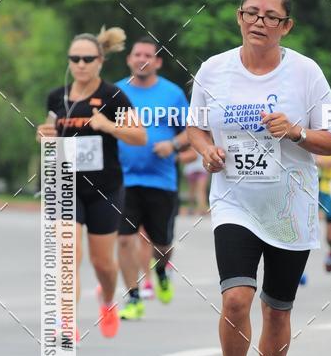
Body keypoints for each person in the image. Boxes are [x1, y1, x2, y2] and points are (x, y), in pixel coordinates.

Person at [187, 0, 331, 356]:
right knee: (236, 298)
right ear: (239, 17)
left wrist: (294, 132)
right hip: (234, 200)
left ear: (286, 27)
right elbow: (196, 128)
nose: (260, 22)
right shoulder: (213, 70)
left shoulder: (306, 74)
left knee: (277, 310)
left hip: (289, 208)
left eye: (271, 17)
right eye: (252, 12)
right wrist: (205, 151)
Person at [36, 27, 146, 339]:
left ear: (100, 61)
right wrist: (43, 134)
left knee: (103, 264)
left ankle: (108, 300)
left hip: (104, 189)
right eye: (75, 59)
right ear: (69, 62)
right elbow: (49, 130)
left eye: (87, 59)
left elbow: (140, 136)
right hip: (64, 185)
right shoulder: (57, 96)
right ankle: (65, 322)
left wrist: (108, 125)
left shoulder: (113, 96)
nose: (81, 64)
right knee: (68, 253)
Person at [115, 37, 190, 320]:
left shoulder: (172, 94)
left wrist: (172, 145)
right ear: (129, 59)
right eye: (137, 54)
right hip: (124, 180)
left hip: (162, 181)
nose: (141, 58)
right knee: (124, 240)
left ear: (157, 62)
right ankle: (133, 297)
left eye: (148, 54)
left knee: (162, 243)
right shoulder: (115, 92)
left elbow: (190, 131)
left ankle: (161, 270)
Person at [316, 153, 331, 271]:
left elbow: (326, 162)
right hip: (327, 189)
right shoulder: (327, 135)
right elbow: (320, 161)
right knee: (330, 238)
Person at [184, 151, 210, 215]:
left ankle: (201, 209)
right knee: (193, 191)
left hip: (200, 169)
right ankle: (192, 208)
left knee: (200, 191)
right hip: (193, 169)